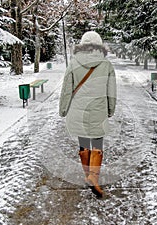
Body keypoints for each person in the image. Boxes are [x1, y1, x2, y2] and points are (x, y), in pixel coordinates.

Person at [59, 31, 117, 198]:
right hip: (98, 111)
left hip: (78, 112)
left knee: (84, 142)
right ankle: (94, 177)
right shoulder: (106, 65)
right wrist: (110, 109)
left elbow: (66, 91)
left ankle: (87, 175)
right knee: (97, 143)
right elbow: (111, 91)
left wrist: (63, 109)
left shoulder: (73, 64)